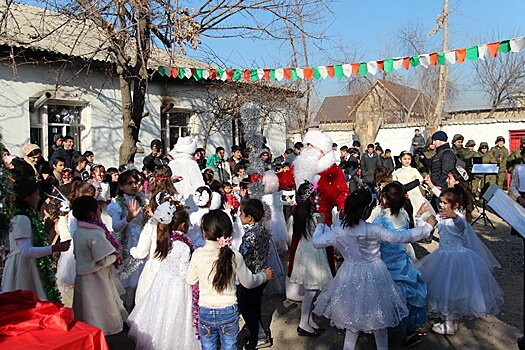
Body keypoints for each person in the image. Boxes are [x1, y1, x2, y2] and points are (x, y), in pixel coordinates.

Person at [312, 188, 436, 350]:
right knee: (380, 322)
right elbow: (403, 237)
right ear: (366, 211)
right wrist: (427, 227)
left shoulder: (339, 230)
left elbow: (317, 242)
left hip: (349, 274)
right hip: (376, 274)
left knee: (351, 322)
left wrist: (320, 225)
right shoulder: (373, 230)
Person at [415, 186, 503, 334]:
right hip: (443, 256)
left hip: (456, 258)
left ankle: (449, 324)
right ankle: (449, 321)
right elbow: (425, 231)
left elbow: (461, 226)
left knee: (451, 289)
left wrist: (454, 216)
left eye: (445, 203)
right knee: (445, 289)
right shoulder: (440, 217)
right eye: (441, 202)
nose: (441, 205)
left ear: (455, 206)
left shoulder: (459, 218)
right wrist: (419, 216)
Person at [186, 210, 274, 350]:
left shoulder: (198, 255)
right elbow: (249, 282)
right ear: (229, 232)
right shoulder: (234, 256)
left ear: (204, 232)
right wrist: (264, 275)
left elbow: (190, 279)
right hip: (228, 310)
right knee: (229, 346)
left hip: (206, 310)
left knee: (208, 346)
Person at [128, 202, 200, 350]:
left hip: (161, 283)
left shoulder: (166, 239)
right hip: (178, 287)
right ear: (182, 225)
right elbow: (183, 273)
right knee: (175, 317)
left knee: (160, 315)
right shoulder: (183, 246)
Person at [372, 183, 428, 346]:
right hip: (403, 263)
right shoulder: (403, 215)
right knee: (408, 296)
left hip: (384, 264)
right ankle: (408, 332)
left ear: (384, 199)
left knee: (383, 298)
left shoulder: (380, 221)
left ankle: (381, 331)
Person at [1, 178, 70, 301]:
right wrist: (56, 248)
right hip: (23, 269)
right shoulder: (22, 218)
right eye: (36, 194)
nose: (39, 198)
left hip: (28, 265)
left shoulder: (28, 217)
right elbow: (25, 251)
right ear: (27, 197)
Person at [71, 196, 127, 335]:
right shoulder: (95, 233)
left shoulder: (78, 231)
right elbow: (102, 260)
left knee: (86, 310)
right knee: (101, 309)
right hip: (97, 278)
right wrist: (115, 256)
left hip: (82, 277)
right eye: (98, 209)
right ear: (92, 213)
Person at [286, 182, 332, 336]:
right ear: (310, 198)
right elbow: (324, 235)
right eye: (315, 194)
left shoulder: (298, 214)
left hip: (304, 252)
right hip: (312, 254)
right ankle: (303, 323)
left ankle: (308, 320)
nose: (317, 197)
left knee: (310, 291)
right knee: (311, 291)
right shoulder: (316, 217)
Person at [131, 166, 181, 304]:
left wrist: (132, 250)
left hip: (153, 269)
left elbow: (140, 252)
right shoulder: (176, 225)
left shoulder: (152, 225)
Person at [107, 170, 149, 310]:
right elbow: (116, 227)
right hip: (126, 245)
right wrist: (128, 218)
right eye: (129, 183)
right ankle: (123, 312)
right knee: (125, 279)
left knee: (139, 279)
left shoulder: (142, 201)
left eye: (136, 183)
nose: (134, 186)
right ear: (121, 186)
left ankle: (136, 310)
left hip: (141, 244)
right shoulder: (117, 205)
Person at [237, 199, 272, 349]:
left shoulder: (251, 235)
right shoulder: (262, 229)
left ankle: (260, 337)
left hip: (253, 277)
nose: (239, 215)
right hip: (263, 273)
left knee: (246, 306)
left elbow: (241, 255)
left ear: (249, 217)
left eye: (241, 213)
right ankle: (257, 332)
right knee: (254, 306)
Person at [392, 151, 435, 222]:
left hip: (416, 195)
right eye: (405, 159)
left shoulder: (414, 170)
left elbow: (420, 179)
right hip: (404, 196)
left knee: (419, 213)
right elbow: (394, 184)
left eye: (409, 159)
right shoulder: (396, 172)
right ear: (400, 159)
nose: (407, 161)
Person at [168, 137, 205, 207]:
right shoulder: (192, 164)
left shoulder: (171, 164)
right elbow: (199, 183)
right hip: (190, 199)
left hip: (174, 198)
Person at [426, 131, 457, 211]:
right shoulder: (440, 153)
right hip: (437, 188)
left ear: (439, 140)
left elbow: (446, 171)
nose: (433, 143)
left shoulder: (446, 153)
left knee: (443, 214)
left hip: (442, 190)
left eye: (434, 140)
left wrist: (440, 185)